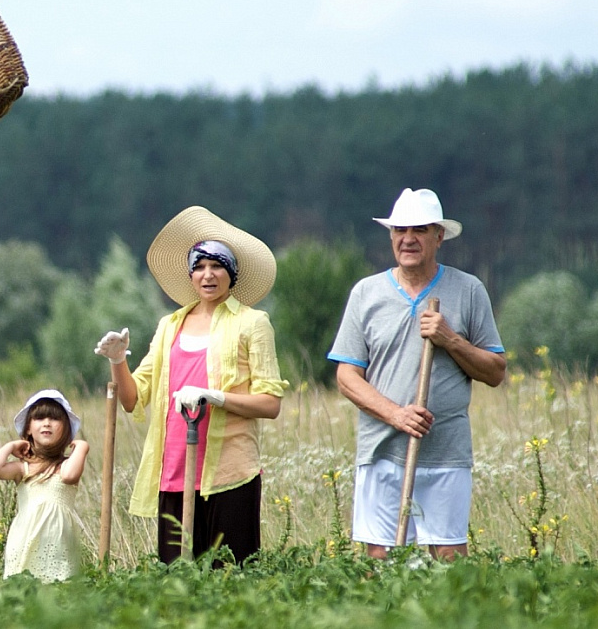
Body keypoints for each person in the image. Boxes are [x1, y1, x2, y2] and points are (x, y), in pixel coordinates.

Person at [95, 206, 289, 564]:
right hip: (175, 470)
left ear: (231, 273)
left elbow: (270, 403)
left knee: (231, 574)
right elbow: (132, 398)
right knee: (177, 582)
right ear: (190, 275)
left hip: (230, 474)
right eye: (199, 266)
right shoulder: (170, 325)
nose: (207, 275)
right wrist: (118, 361)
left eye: (217, 265)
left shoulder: (252, 323)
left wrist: (216, 397)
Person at [328, 188, 506, 561]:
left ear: (438, 237)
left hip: (446, 451)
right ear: (391, 236)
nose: (408, 239)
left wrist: (450, 340)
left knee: (448, 554)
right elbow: (347, 376)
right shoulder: (366, 293)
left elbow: (495, 371)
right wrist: (397, 414)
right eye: (400, 230)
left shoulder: (468, 290)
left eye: (420, 230)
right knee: (379, 556)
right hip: (381, 448)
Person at [0, 389, 90, 581]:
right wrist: (11, 446)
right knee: (23, 589)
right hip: (25, 541)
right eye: (39, 418)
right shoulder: (24, 468)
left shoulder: (66, 465)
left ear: (66, 429)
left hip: (59, 545)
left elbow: (69, 476)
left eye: (55, 419)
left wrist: (82, 448)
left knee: (59, 590)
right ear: (28, 428)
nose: (47, 423)